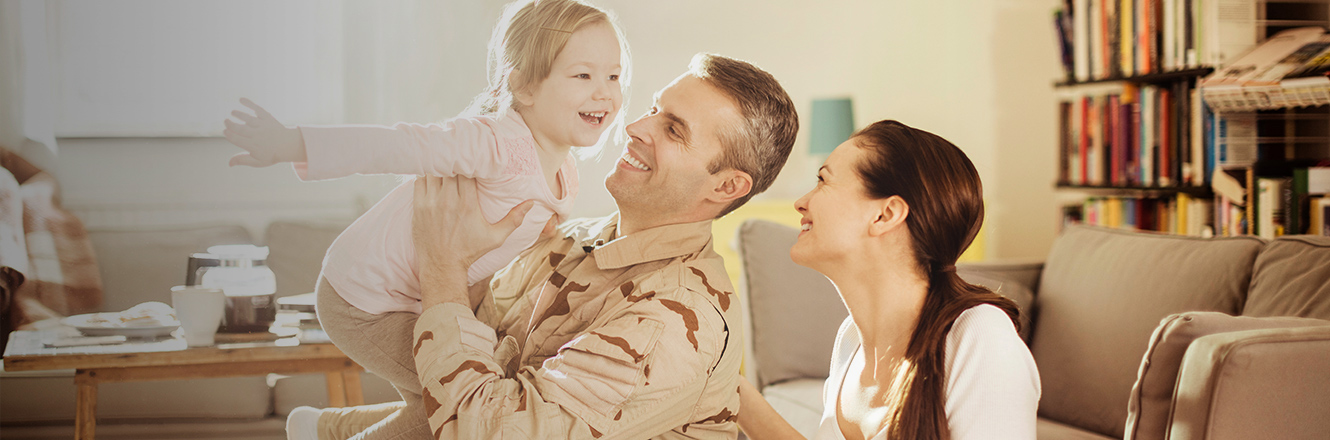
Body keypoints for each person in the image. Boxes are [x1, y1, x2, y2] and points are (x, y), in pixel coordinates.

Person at [310, 52, 798, 439]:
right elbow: (479, 356)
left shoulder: (672, 318)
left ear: (727, 187)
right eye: (654, 109)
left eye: (673, 130)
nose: (634, 127)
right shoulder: (571, 238)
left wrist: (443, 266)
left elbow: (489, 431)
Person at [221, 1, 630, 438]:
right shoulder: (493, 142)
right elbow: (399, 145)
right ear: (525, 87)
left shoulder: (564, 171)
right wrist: (292, 143)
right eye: (583, 75)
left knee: (444, 401)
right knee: (455, 398)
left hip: (418, 299)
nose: (604, 91)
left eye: (613, 76)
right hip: (362, 300)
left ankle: (320, 430)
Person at [734, 120, 1040, 440]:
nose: (801, 202)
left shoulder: (979, 335)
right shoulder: (851, 341)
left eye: (823, 181)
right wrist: (727, 383)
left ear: (885, 215)